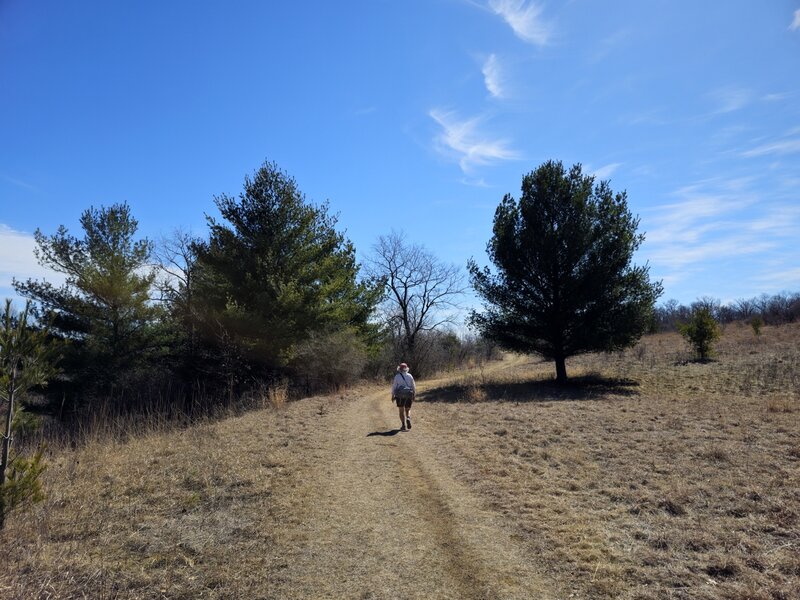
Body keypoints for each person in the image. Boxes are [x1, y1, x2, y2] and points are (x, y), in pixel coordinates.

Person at [391, 362, 416, 431]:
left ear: (399, 369)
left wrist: (393, 395)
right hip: (408, 394)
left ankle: (403, 425)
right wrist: (414, 394)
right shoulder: (410, 376)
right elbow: (413, 386)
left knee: (401, 411)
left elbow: (394, 387)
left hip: (399, 396)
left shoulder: (397, 376)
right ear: (406, 369)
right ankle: (408, 417)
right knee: (408, 409)